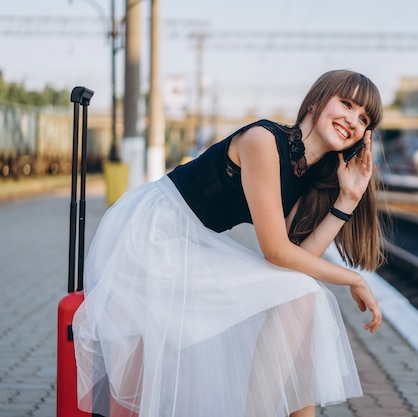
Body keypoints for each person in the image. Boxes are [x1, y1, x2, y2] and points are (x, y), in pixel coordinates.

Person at [72, 69, 385, 417]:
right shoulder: (263, 141)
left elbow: (294, 260)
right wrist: (354, 278)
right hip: (151, 234)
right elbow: (277, 252)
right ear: (316, 101)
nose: (352, 120)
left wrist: (347, 200)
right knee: (304, 294)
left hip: (190, 242)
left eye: (363, 118)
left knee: (301, 293)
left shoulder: (307, 173)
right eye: (346, 103)